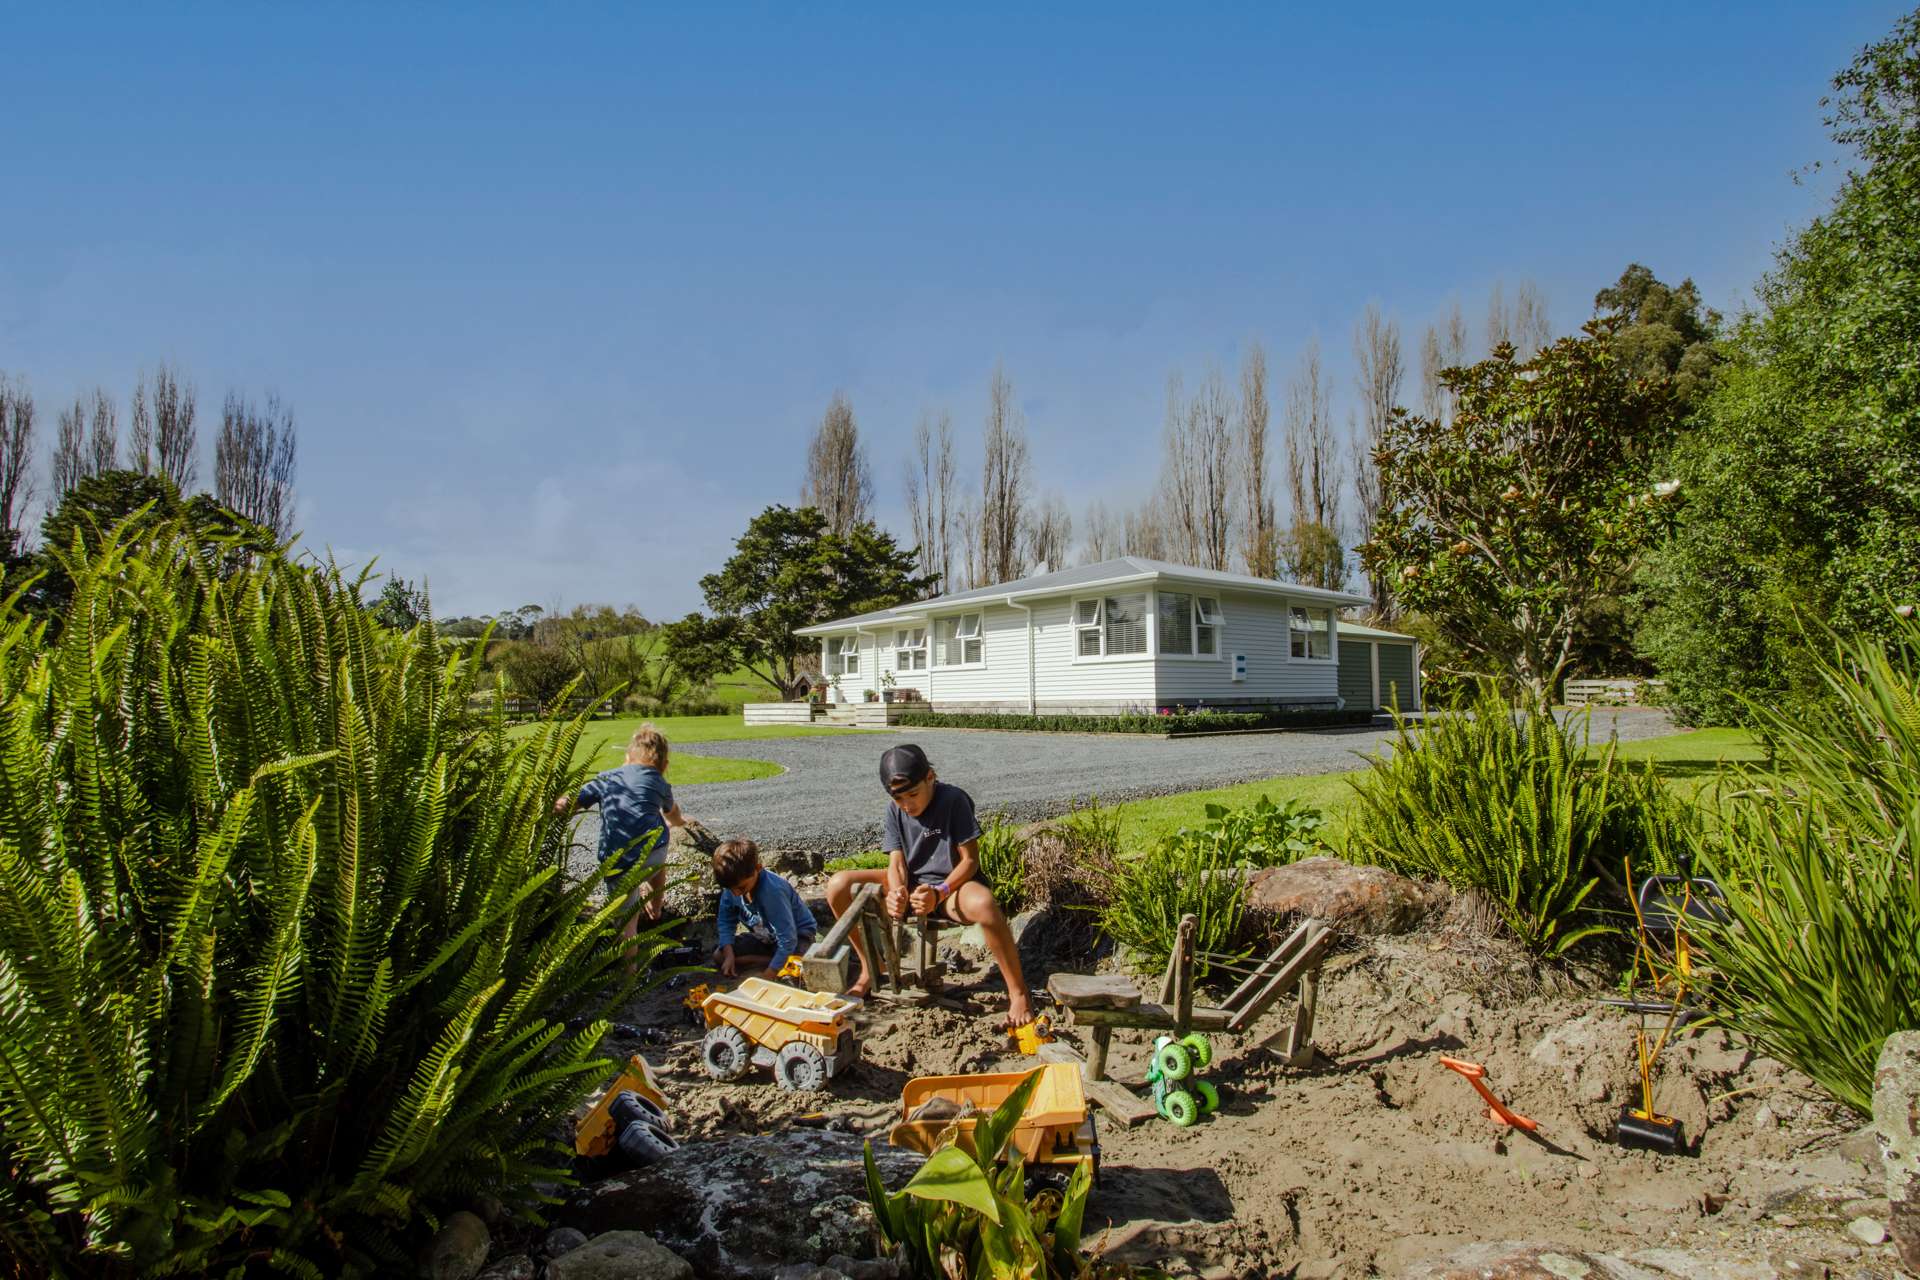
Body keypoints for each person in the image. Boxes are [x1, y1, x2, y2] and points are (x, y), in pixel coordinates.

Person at [824, 743, 1035, 1028]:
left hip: (952, 887)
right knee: (838, 885)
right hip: (913, 885)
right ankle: (871, 968)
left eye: (913, 794)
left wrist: (940, 892)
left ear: (930, 778)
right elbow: (896, 863)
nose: (907, 805)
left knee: (984, 904)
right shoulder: (894, 811)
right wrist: (897, 892)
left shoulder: (954, 800)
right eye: (899, 799)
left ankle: (1018, 992)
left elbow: (970, 861)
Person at [554, 724, 688, 946]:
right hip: (653, 856)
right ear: (664, 765)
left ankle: (629, 966)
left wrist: (553, 804)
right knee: (658, 848)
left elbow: (570, 804)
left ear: (626, 758)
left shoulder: (608, 778)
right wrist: (679, 823)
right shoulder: (659, 782)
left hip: (618, 863)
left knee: (626, 926)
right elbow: (671, 812)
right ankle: (656, 907)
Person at [711, 838, 817, 981]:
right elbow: (725, 921)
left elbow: (788, 939)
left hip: (797, 936)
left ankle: (771, 962)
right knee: (719, 955)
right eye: (731, 889)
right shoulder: (732, 887)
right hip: (765, 938)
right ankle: (771, 960)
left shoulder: (773, 892)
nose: (735, 894)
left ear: (758, 868)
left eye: (741, 888)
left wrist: (770, 973)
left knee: (796, 969)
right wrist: (729, 955)